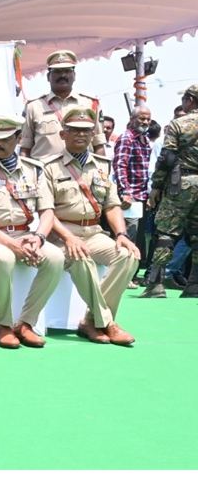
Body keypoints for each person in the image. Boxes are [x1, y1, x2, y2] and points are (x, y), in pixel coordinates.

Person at [0, 115, 65, 348]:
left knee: (56, 257)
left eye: (5, 139)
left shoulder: (35, 170)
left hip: (23, 234)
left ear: (19, 139)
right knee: (4, 257)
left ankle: (26, 322)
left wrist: (38, 237)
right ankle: (4, 324)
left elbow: (47, 212)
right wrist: (9, 244)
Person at [42, 108, 137, 345]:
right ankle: (108, 323)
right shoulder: (48, 166)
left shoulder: (103, 165)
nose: (80, 135)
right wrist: (67, 237)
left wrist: (122, 234)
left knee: (128, 255)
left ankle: (92, 319)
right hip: (61, 234)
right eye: (74, 130)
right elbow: (47, 211)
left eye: (85, 131)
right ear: (63, 134)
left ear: (93, 133)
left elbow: (112, 205)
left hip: (94, 232)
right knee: (81, 258)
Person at [143, 85, 198, 297]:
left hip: (181, 183)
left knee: (166, 232)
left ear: (190, 100)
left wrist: (156, 186)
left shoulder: (178, 124)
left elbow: (167, 158)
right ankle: (194, 285)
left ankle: (155, 285)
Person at [20, 49, 104, 161]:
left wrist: (101, 174)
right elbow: (25, 148)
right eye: (57, 72)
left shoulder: (90, 103)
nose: (62, 75)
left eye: (67, 71)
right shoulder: (33, 107)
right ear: (48, 77)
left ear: (74, 76)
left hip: (82, 172)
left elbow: (98, 144)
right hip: (44, 174)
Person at [112, 105, 153, 273]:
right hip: (130, 198)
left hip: (142, 197)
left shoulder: (145, 140)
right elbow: (120, 166)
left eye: (148, 119)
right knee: (128, 235)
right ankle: (120, 273)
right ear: (132, 119)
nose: (145, 122)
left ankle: (130, 274)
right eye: (141, 118)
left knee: (139, 237)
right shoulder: (126, 138)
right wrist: (125, 192)